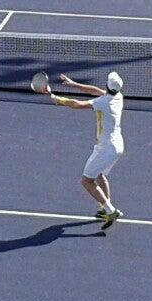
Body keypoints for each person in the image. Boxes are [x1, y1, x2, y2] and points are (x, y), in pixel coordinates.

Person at [41, 72, 126, 229]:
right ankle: (104, 209)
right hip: (117, 146)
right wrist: (73, 84)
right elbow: (93, 90)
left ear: (108, 86)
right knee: (99, 174)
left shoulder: (102, 102)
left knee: (86, 181)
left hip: (107, 148)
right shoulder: (118, 96)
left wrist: (57, 99)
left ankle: (110, 210)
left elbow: (77, 104)